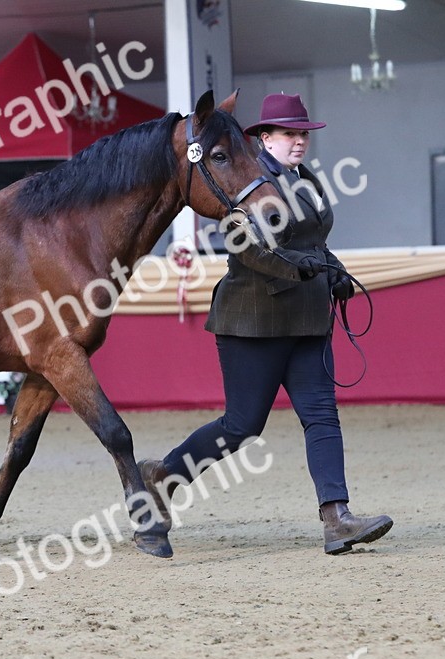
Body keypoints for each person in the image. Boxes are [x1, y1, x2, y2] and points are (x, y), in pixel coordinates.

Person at [139, 93, 392, 555]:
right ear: (264, 139)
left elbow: (316, 242)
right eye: (289, 134)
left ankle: (337, 518)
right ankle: (164, 474)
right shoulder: (246, 178)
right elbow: (245, 246)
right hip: (253, 321)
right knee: (241, 426)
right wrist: (298, 269)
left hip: (308, 320)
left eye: (303, 134)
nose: (299, 141)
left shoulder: (307, 181)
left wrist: (334, 271)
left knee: (321, 415)